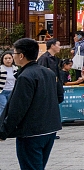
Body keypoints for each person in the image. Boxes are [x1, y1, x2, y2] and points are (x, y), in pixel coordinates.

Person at [0, 37, 62, 170]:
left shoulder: (25, 76)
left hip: (31, 132)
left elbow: (17, 108)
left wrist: (3, 132)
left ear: (21, 55)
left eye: (14, 53)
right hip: (50, 129)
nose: (13, 56)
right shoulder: (48, 73)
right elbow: (59, 96)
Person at [0, 51, 17, 118]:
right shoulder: (1, 68)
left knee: (10, 108)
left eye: (9, 58)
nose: (8, 60)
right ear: (2, 60)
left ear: (12, 59)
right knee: (3, 107)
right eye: (5, 58)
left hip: (12, 91)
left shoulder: (15, 69)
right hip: (2, 92)